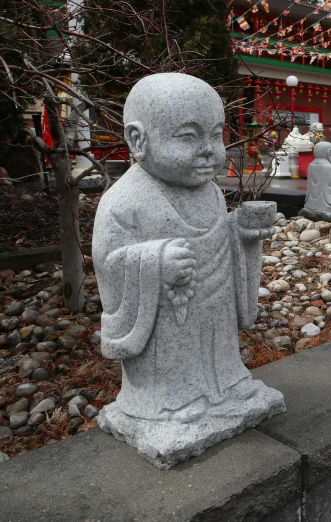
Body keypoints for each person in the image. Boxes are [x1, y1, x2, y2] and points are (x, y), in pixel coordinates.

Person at [93, 73, 283, 432]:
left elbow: (214, 239)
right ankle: (168, 401)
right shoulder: (123, 201)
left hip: (214, 305)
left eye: (216, 134)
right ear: (138, 139)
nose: (210, 149)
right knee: (172, 357)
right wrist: (155, 260)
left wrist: (240, 234)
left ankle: (225, 384)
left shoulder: (210, 191)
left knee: (218, 344)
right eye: (188, 136)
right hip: (166, 318)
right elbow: (108, 262)